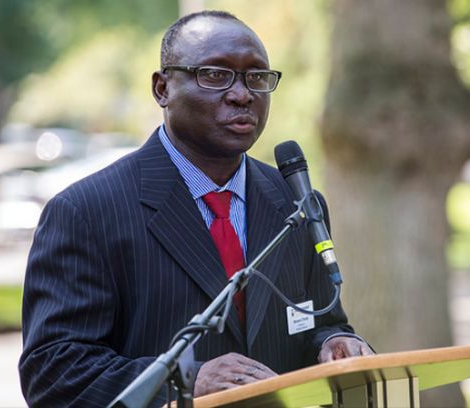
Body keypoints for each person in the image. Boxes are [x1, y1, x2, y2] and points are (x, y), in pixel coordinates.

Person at [19, 10, 372, 407]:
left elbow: (318, 322)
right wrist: (185, 382)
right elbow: (54, 372)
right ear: (162, 89)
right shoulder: (85, 211)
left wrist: (337, 342)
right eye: (215, 75)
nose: (242, 94)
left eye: (257, 77)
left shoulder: (296, 202)